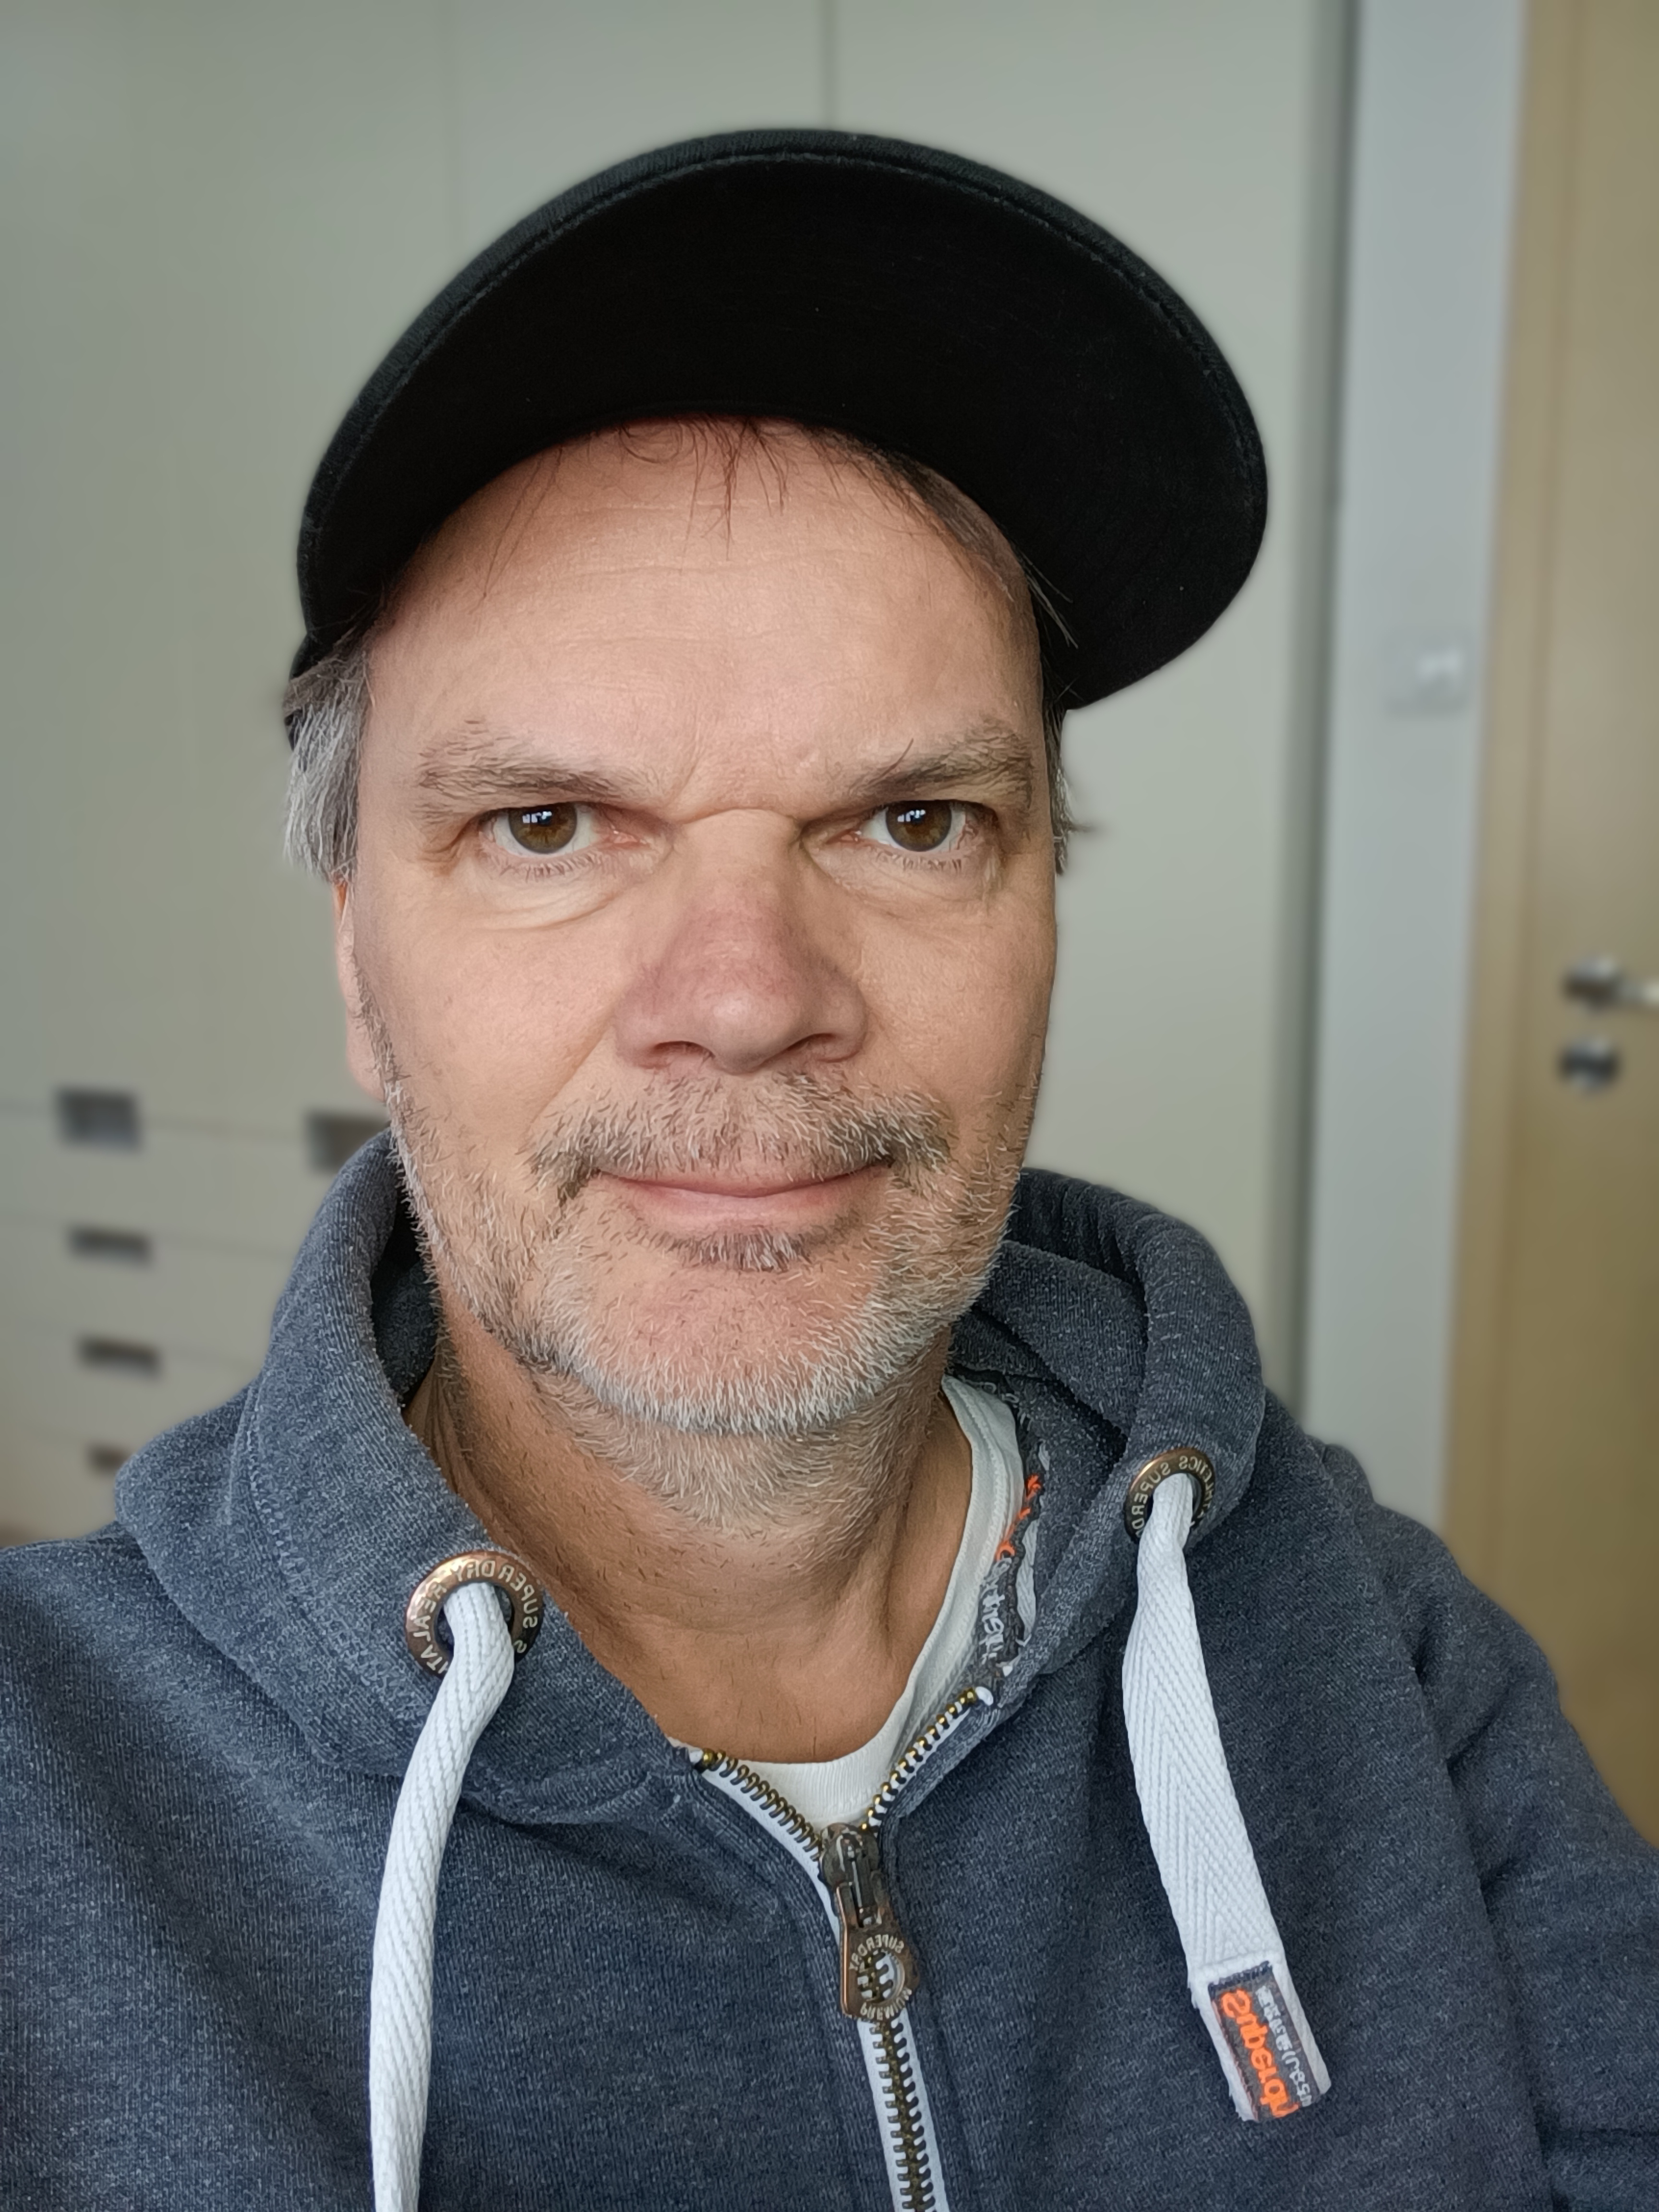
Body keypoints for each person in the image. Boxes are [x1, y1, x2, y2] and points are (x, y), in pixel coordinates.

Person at [2, 131, 1655, 2212]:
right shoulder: (52, 1801)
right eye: (548, 826)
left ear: (1044, 905)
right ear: (359, 961)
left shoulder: (1360, 1634)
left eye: (910, 822)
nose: (748, 997)